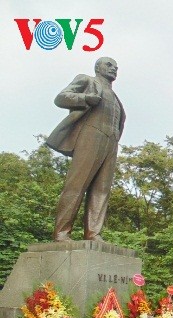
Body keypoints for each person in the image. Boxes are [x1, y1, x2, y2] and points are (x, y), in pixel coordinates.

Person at [46, 57, 126, 242]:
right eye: (109, 65)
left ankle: (93, 233)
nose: (114, 68)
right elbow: (61, 98)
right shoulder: (87, 80)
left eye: (116, 66)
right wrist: (85, 98)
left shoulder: (115, 98)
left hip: (111, 141)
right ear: (98, 67)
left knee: (102, 189)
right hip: (91, 134)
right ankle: (62, 233)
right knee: (77, 184)